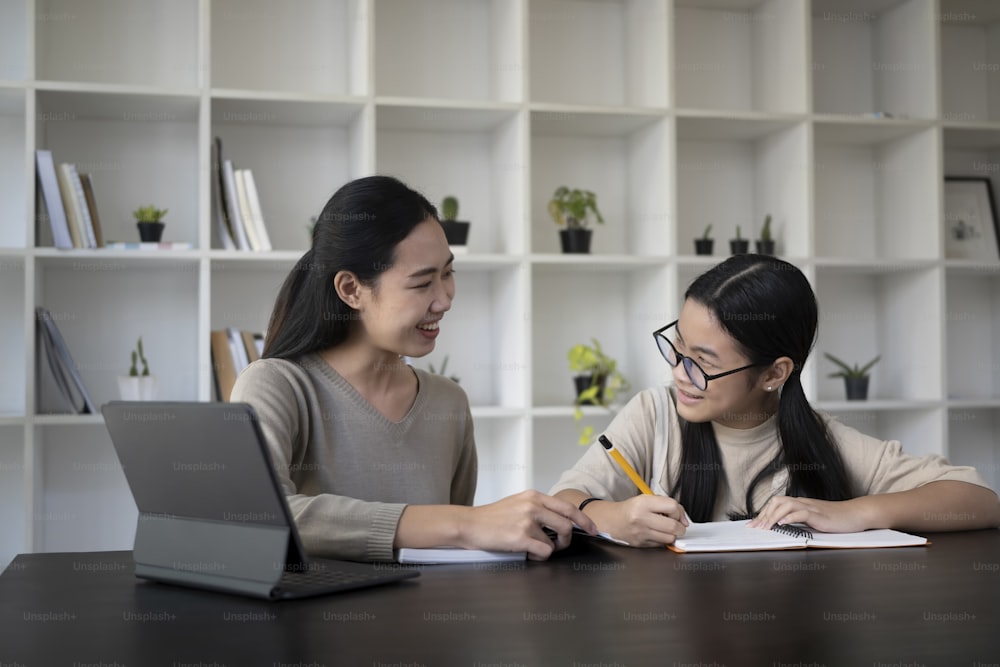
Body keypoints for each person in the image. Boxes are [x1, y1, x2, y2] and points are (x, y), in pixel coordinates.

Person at [231, 175, 595, 562]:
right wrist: (463, 524)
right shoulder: (277, 385)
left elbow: (451, 558)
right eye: (422, 283)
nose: (444, 300)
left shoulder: (448, 402)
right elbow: (262, 517)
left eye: (448, 274)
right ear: (351, 289)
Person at [552, 254, 1000, 547]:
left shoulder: (820, 441)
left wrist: (853, 512)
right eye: (679, 348)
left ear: (773, 373)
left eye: (702, 362)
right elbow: (565, 499)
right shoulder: (655, 415)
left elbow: (979, 499)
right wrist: (611, 515)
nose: (678, 372)